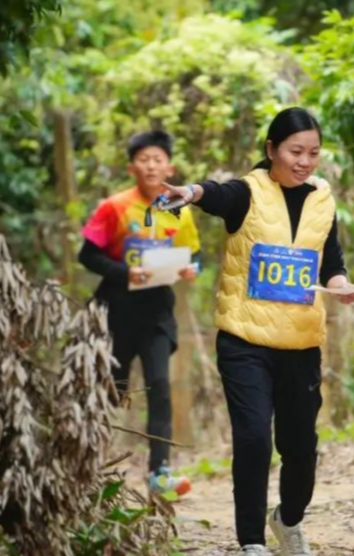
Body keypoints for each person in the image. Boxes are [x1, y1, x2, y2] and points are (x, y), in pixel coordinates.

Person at [158, 107, 354, 556]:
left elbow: (331, 261)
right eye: (295, 151)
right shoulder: (248, 192)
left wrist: (341, 285)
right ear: (271, 150)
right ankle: (251, 540)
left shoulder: (322, 200)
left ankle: (288, 520)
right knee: (253, 438)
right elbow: (216, 194)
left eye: (313, 153)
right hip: (244, 340)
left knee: (300, 447)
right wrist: (190, 193)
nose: (304, 161)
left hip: (301, 343)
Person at [79, 130, 201, 495]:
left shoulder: (178, 209)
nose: (151, 166)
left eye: (157, 160)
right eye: (144, 160)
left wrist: (192, 268)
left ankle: (159, 473)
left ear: (169, 168)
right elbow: (88, 255)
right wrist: (126, 273)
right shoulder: (113, 207)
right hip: (115, 311)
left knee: (160, 386)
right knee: (109, 391)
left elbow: (194, 254)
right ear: (132, 167)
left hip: (157, 313)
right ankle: (86, 469)